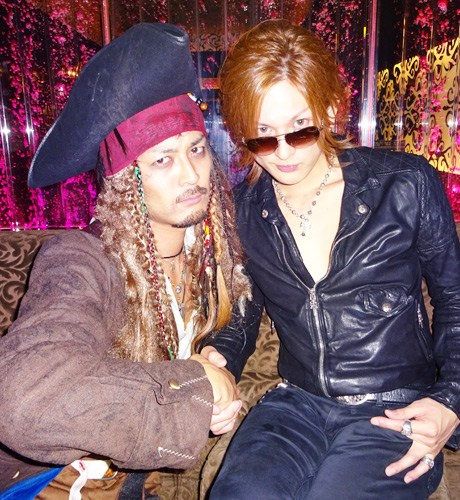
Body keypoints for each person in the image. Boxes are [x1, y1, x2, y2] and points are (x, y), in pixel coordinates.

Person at [202, 19, 460, 500]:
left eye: (299, 130)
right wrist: (217, 363)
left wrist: (451, 401)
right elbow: (241, 314)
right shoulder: (243, 212)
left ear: (328, 109)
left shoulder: (404, 184)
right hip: (295, 406)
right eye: (262, 135)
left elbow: (455, 298)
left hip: (395, 410)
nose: (282, 153)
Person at [0, 22, 250, 499]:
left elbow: (236, 315)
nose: (191, 174)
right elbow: (25, 397)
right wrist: (194, 385)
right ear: (123, 182)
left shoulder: (208, 249)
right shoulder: (81, 259)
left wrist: (215, 362)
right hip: (46, 485)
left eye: (196, 149)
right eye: (162, 160)